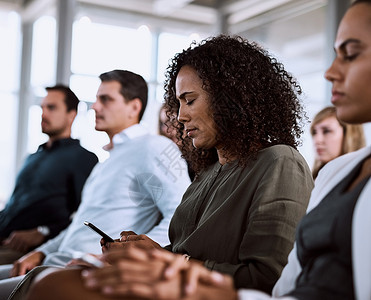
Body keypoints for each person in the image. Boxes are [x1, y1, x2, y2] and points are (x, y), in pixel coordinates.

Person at [35, 1, 371, 299]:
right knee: (52, 280)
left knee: (51, 286)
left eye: (190, 101)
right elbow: (187, 253)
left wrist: (168, 262)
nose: (180, 117)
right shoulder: (210, 172)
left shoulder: (278, 162)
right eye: (179, 103)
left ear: (231, 99)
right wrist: (150, 254)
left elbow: (268, 277)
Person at [0, 70, 190, 300]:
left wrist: (124, 258)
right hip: (53, 263)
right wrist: (41, 252)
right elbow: (77, 226)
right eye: (97, 99)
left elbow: (180, 219)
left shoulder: (154, 147)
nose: (94, 107)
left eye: (106, 99)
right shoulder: (106, 163)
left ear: (134, 107)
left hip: (78, 272)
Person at [0, 85, 98, 264]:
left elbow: (84, 217)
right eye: (42, 107)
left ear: (72, 114)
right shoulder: (33, 157)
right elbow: (14, 206)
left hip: (28, 251)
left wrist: (43, 231)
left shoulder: (83, 158)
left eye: (51, 108)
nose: (43, 114)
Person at [311, 106, 365, 178]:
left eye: (326, 131)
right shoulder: (313, 179)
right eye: (314, 132)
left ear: (349, 135)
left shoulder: (363, 178)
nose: (317, 140)